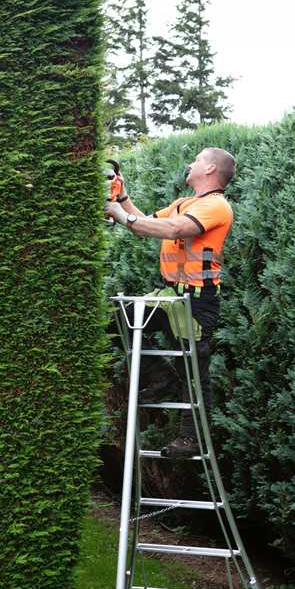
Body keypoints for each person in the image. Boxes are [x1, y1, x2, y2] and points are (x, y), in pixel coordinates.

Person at [104, 146, 235, 458]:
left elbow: (175, 229)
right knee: (118, 318)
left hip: (197, 301)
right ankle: (162, 376)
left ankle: (192, 440)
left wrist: (122, 215)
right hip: (168, 295)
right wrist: (121, 199)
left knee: (193, 368)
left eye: (197, 160)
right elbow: (146, 224)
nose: (190, 164)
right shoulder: (183, 203)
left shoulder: (217, 207)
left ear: (211, 170)